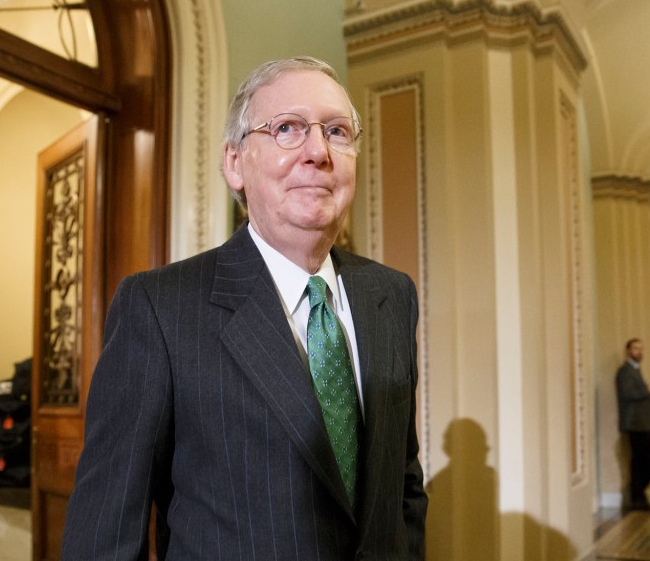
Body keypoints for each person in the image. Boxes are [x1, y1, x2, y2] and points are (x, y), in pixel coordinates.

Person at [61, 56, 428, 559]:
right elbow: (103, 532)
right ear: (235, 163)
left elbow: (402, 486)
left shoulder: (392, 296)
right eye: (287, 129)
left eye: (337, 131)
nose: (318, 151)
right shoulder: (159, 308)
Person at [615, 338, 650, 512]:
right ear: (628, 351)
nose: (639, 352)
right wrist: (649, 390)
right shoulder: (625, 371)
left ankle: (638, 499)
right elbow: (628, 394)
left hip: (643, 423)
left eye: (641, 349)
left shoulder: (635, 370)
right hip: (636, 424)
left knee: (638, 462)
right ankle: (637, 495)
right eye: (635, 348)